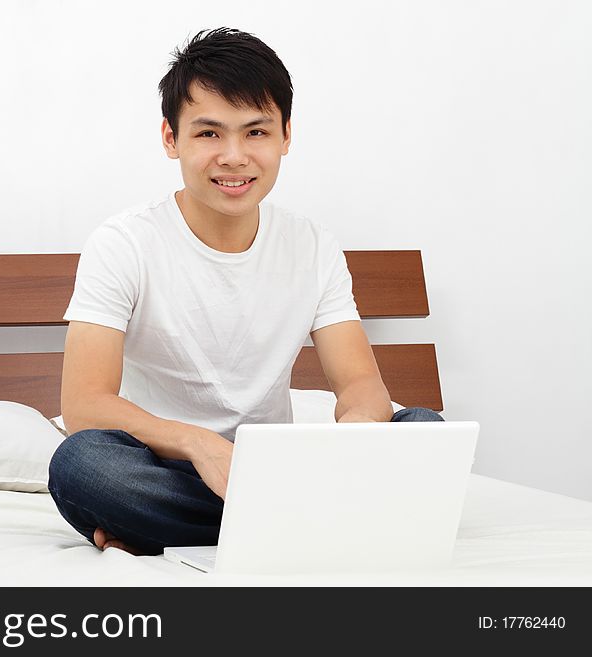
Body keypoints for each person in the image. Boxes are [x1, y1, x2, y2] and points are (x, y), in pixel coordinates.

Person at [48, 27, 443, 556]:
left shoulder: (311, 245)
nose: (234, 157)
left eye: (255, 133)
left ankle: (189, 528)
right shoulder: (123, 243)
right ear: (171, 139)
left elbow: (360, 384)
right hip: (166, 466)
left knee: (422, 429)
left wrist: (355, 433)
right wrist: (198, 443)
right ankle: (311, 524)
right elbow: (84, 404)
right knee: (83, 465)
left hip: (281, 469)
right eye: (209, 134)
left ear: (285, 137)